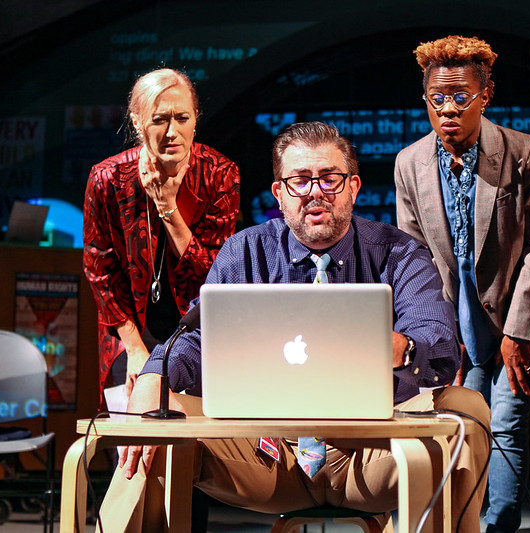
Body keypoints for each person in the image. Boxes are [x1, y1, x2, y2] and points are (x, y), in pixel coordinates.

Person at [98, 121, 491, 532]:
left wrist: (400, 348)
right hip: (265, 455)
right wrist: (152, 380)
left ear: (354, 187)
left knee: (468, 410)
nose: (315, 191)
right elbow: (196, 339)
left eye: (330, 179)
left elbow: (440, 346)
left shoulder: (398, 252)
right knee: (155, 416)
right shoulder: (244, 252)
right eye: (300, 181)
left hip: (374, 453)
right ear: (280, 195)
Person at [394, 35, 530, 532]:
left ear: (486, 95)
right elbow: (416, 261)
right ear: (425, 101)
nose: (448, 109)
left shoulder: (522, 151)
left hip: (525, 310)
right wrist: (438, 338)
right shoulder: (409, 163)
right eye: (438, 99)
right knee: (466, 425)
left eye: (460, 97)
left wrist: (519, 333)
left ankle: (499, 526)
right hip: (459, 320)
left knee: (508, 424)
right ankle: (465, 523)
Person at [83, 68, 241, 404]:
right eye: (159, 120)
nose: (172, 132)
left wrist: (166, 206)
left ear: (196, 119)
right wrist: (136, 349)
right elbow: (100, 271)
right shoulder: (107, 179)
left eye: (182, 118)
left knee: (194, 446)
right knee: (133, 440)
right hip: (130, 333)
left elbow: (213, 274)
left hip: (198, 331)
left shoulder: (220, 175)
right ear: (137, 121)